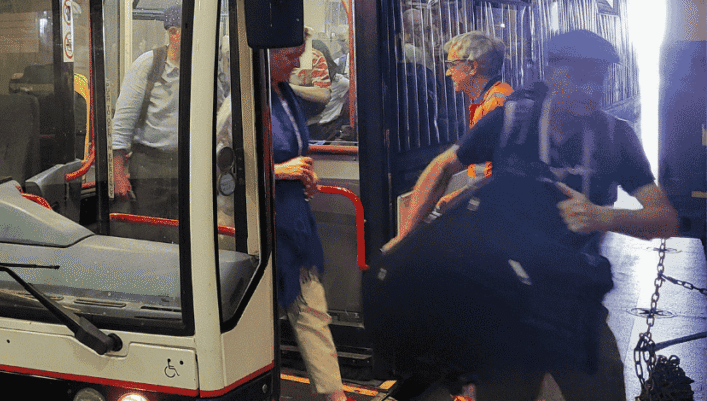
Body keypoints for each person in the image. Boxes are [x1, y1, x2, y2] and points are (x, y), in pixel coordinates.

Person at [387, 29, 678, 400]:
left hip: (575, 308)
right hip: (505, 308)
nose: (590, 89)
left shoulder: (615, 137)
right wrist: (407, 237)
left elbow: (664, 218)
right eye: (579, 77)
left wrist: (603, 217)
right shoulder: (511, 122)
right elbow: (442, 166)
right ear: (552, 74)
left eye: (598, 78)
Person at [270, 42, 348, 401]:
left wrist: (304, 173)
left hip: (293, 220)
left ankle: (334, 394)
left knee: (311, 308)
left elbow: (296, 152)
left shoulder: (286, 95)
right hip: (261, 224)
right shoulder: (238, 103)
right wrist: (277, 171)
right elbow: (219, 168)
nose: (296, 63)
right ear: (265, 54)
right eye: (289, 56)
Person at [395, 32, 513, 234]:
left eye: (452, 65)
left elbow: (498, 176)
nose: (448, 73)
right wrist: (460, 195)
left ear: (473, 67)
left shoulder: (496, 103)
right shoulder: (493, 97)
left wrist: (461, 198)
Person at [111, 5, 182, 235]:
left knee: (182, 233)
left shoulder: (200, 69)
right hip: (150, 166)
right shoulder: (148, 64)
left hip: (187, 165)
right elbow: (122, 123)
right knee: (150, 232)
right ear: (173, 33)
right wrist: (118, 175)